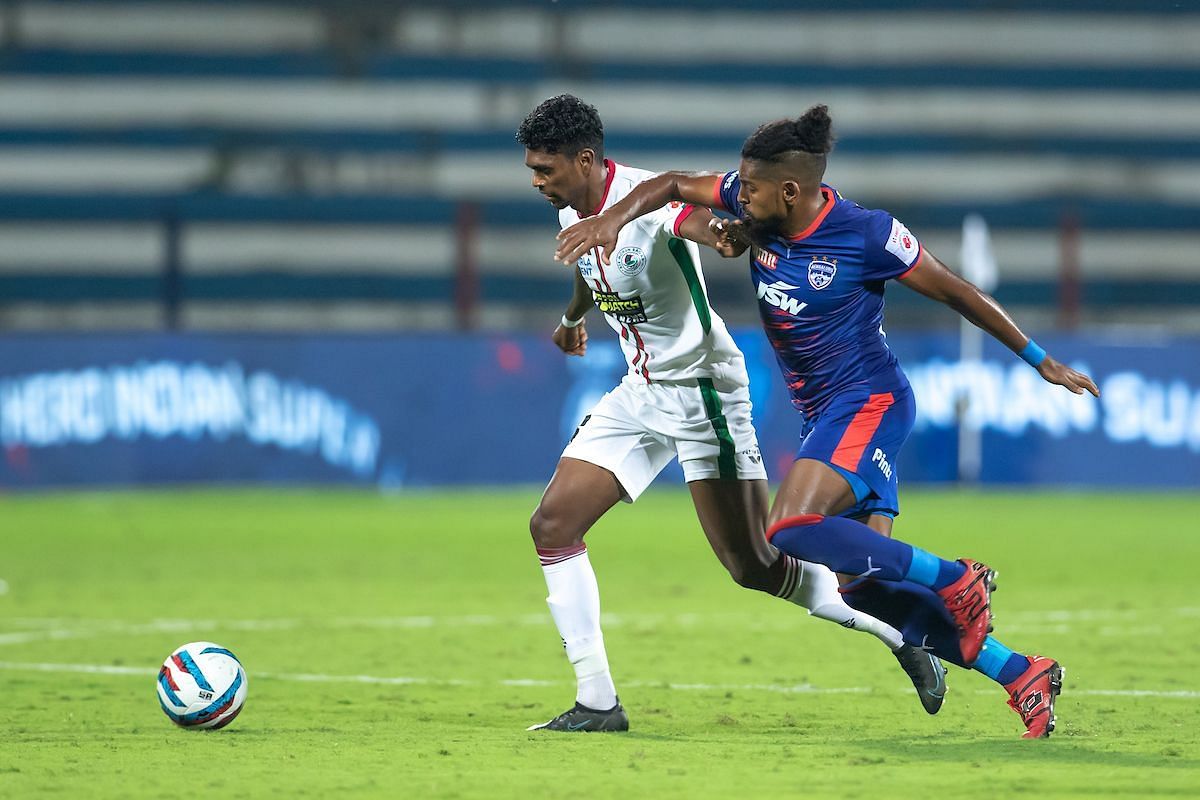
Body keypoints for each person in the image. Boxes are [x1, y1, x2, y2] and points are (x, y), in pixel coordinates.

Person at [554, 104, 1100, 739]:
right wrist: (610, 221)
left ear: (790, 190)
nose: (737, 194)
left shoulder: (866, 234)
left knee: (788, 525)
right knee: (863, 591)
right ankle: (1019, 673)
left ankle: (958, 577)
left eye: (750, 188)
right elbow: (672, 185)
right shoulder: (752, 202)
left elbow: (957, 291)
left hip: (870, 403)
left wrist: (1041, 359)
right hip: (826, 417)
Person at [517, 95, 947, 734]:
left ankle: (899, 632)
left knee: (754, 566)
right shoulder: (573, 212)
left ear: (584, 161)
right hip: (639, 392)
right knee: (552, 524)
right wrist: (572, 319)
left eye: (545, 169)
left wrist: (719, 234)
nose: (536, 181)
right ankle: (598, 703)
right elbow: (589, 266)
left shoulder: (644, 201)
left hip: (703, 392)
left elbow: (693, 222)